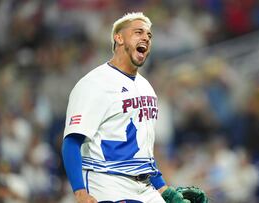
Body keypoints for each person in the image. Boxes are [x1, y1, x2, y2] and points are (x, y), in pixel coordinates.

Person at [61, 12, 207, 203]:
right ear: (119, 38)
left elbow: (143, 153)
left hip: (144, 187)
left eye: (149, 35)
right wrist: (80, 192)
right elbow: (72, 141)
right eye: (138, 32)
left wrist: (164, 190)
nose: (146, 37)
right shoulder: (93, 84)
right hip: (107, 183)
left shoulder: (146, 87)